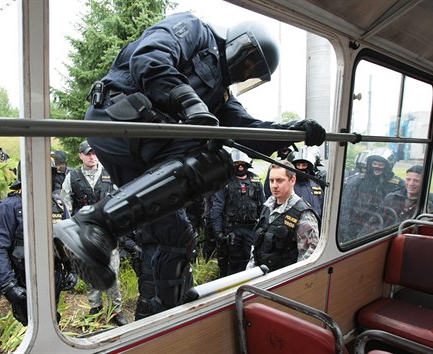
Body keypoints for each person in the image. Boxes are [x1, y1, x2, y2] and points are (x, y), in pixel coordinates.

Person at [53, 12, 326, 316]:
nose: (243, 74)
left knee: (175, 236)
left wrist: (292, 131)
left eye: (253, 73)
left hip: (147, 149)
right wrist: (188, 101)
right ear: (238, 46)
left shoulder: (221, 96)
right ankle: (93, 223)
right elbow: (148, 57)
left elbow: (246, 130)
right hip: (120, 118)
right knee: (212, 161)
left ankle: (160, 315)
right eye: (247, 64)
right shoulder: (195, 31)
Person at [0, 160, 76, 326]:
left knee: (51, 319)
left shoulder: (58, 204)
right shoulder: (9, 207)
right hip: (23, 277)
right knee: (30, 324)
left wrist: (72, 269)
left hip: (53, 273)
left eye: (46, 174)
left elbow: (69, 239)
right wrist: (8, 285)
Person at [59, 141, 127, 326]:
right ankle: (95, 308)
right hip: (85, 236)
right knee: (91, 275)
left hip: (108, 235)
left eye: (94, 153)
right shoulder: (72, 177)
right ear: (80, 156)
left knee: (112, 274)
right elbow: (66, 208)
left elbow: (120, 201)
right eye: (88, 154)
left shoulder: (109, 174)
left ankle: (116, 311)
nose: (92, 156)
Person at [250, 161, 320, 272]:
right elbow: (256, 246)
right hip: (260, 275)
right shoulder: (267, 206)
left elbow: (307, 258)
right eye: (271, 180)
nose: (274, 185)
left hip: (284, 280)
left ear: (292, 180)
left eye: (279, 180)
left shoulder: (303, 214)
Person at [210, 149, 265, 276]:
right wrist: (218, 232)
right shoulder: (226, 182)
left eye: (242, 163)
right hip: (232, 229)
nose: (240, 166)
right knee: (233, 262)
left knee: (251, 260)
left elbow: (263, 205)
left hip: (252, 228)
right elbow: (217, 208)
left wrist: (263, 228)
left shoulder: (255, 181)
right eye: (237, 164)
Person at [360, 165, 433, 232]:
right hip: (386, 235)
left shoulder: (430, 201)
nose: (411, 184)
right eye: (408, 179)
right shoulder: (392, 197)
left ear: (425, 183)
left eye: (416, 181)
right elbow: (374, 219)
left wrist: (425, 198)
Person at [339, 147, 404, 242]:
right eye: (374, 164)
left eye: (381, 165)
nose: (377, 167)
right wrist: (345, 234)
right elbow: (345, 208)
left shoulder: (397, 185)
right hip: (354, 229)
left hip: (383, 230)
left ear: (388, 165)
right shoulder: (357, 182)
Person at [290, 146, 325, 218]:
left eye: (304, 165)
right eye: (298, 165)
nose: (301, 168)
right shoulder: (288, 185)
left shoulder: (316, 184)